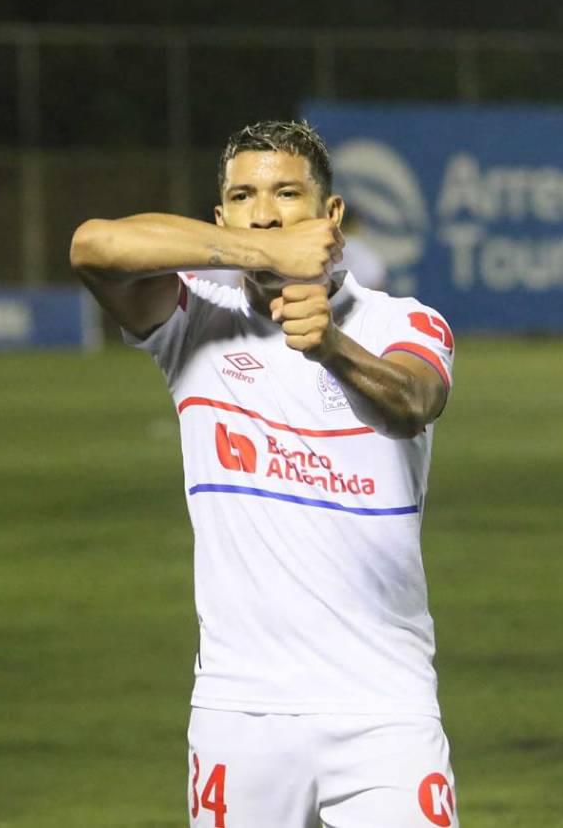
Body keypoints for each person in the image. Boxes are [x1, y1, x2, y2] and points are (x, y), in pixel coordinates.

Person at [70, 119, 459, 827]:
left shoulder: (400, 320)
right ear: (220, 217)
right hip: (239, 711)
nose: (266, 209)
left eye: (286, 194)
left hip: (383, 706)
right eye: (244, 196)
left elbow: (415, 401)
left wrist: (333, 348)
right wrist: (258, 250)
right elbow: (93, 246)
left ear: (330, 215)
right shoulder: (193, 321)